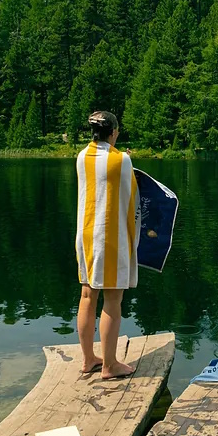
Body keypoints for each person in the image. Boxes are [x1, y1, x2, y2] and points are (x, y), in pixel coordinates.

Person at [75, 110, 140, 379]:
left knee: (88, 295)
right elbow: (133, 195)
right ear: (112, 132)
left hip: (85, 234)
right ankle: (110, 365)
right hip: (109, 237)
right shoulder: (121, 160)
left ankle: (89, 358)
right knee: (113, 298)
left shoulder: (81, 157)